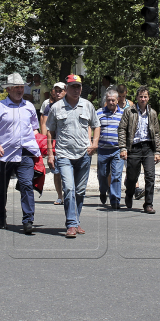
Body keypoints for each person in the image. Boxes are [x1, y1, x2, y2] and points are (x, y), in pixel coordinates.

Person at [0, 73, 41, 233]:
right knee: (2, 188)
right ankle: (1, 217)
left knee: (26, 184)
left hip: (25, 152)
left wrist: (40, 145)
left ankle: (28, 220)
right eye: (16, 87)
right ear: (8, 89)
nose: (19, 90)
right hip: (4, 154)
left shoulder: (29, 106)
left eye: (21, 87)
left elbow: (34, 128)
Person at [46, 74, 101, 238]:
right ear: (66, 89)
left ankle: (76, 221)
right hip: (63, 154)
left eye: (78, 87)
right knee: (69, 188)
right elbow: (49, 130)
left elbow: (96, 125)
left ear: (81, 88)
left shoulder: (87, 105)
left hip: (84, 154)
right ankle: (71, 224)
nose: (76, 90)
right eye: (72, 87)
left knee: (80, 190)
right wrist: (50, 153)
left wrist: (95, 143)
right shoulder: (57, 107)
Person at [118, 85, 160, 214]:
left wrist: (157, 151)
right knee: (132, 176)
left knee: (150, 176)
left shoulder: (152, 113)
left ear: (148, 98)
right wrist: (123, 148)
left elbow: (157, 133)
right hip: (134, 147)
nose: (143, 99)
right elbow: (121, 129)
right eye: (141, 96)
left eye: (145, 97)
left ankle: (148, 204)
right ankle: (129, 194)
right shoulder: (129, 111)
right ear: (137, 97)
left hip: (148, 147)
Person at [96, 88, 124, 209]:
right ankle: (103, 190)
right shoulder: (99, 113)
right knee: (102, 174)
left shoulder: (123, 114)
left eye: (113, 100)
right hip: (103, 150)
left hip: (117, 150)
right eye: (109, 100)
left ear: (117, 100)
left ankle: (115, 200)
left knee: (116, 175)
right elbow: (94, 128)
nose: (111, 102)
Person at [40, 82, 66, 205]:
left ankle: (69, 194)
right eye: (55, 90)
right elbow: (44, 125)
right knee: (56, 171)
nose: (58, 92)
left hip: (67, 142)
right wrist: (46, 144)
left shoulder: (69, 105)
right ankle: (60, 196)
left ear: (66, 91)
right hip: (54, 142)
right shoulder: (48, 107)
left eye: (60, 90)